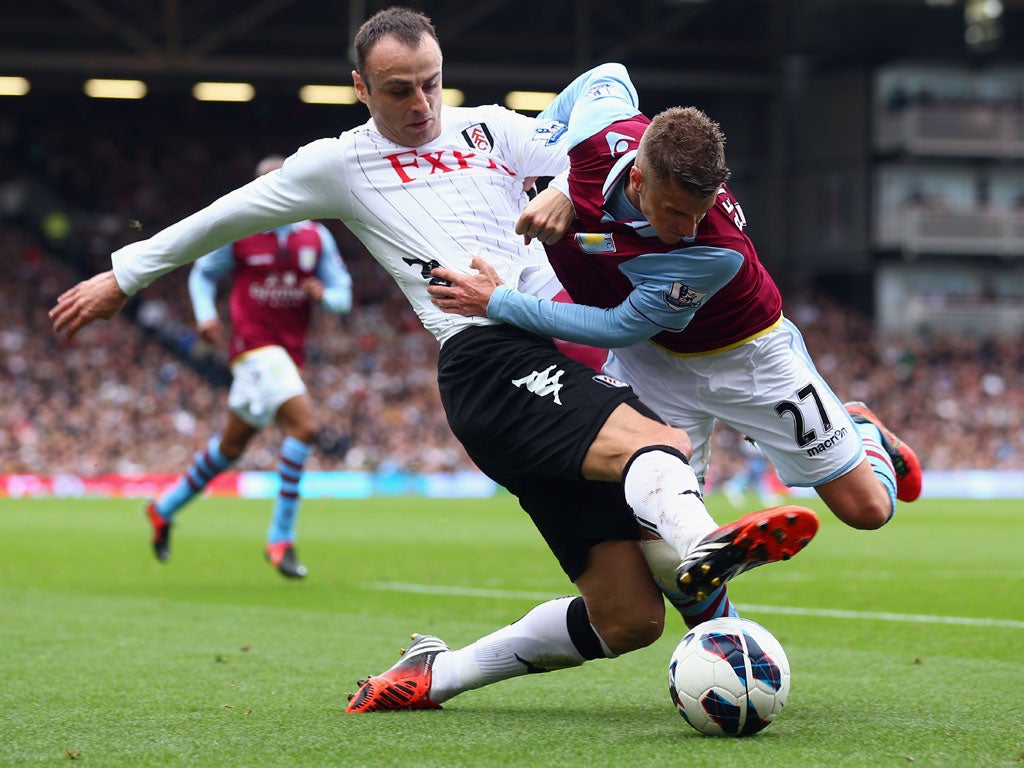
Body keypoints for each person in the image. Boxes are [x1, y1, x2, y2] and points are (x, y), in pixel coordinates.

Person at [50, 8, 817, 713]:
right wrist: (124, 276)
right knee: (658, 445)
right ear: (360, 89)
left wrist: (566, 190)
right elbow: (225, 216)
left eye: (430, 83)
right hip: (490, 362)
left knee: (628, 620)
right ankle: (704, 547)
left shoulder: (490, 129)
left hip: (562, 361)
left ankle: (435, 675)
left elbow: (611, 156)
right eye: (398, 90)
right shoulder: (338, 164)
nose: (421, 104)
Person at [428, 62, 923, 536]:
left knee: (868, 511)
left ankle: (861, 429)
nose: (687, 228)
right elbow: (606, 74)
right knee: (658, 524)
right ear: (637, 179)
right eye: (674, 211)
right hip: (653, 364)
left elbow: (617, 327)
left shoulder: (716, 251)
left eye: (699, 211)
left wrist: (498, 302)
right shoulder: (600, 133)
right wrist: (556, 177)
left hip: (748, 358)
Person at [146, 155, 353, 578]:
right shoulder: (241, 233)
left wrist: (325, 297)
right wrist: (206, 315)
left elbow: (342, 295)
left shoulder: (315, 237)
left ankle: (162, 509)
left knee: (230, 447)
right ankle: (280, 539)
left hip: (289, 354)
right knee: (305, 427)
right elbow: (202, 275)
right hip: (253, 348)